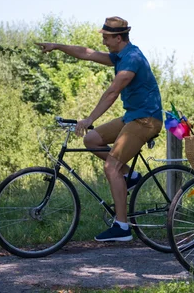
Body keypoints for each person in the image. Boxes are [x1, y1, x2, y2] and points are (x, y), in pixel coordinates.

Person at [35, 16, 163, 242]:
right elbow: (87, 53)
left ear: (119, 37)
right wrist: (57, 47)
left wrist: (88, 118)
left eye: (106, 37)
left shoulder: (131, 58)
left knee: (110, 166)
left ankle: (122, 226)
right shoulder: (120, 56)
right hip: (132, 116)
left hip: (146, 120)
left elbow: (113, 92)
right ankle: (130, 176)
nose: (103, 41)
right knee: (92, 139)